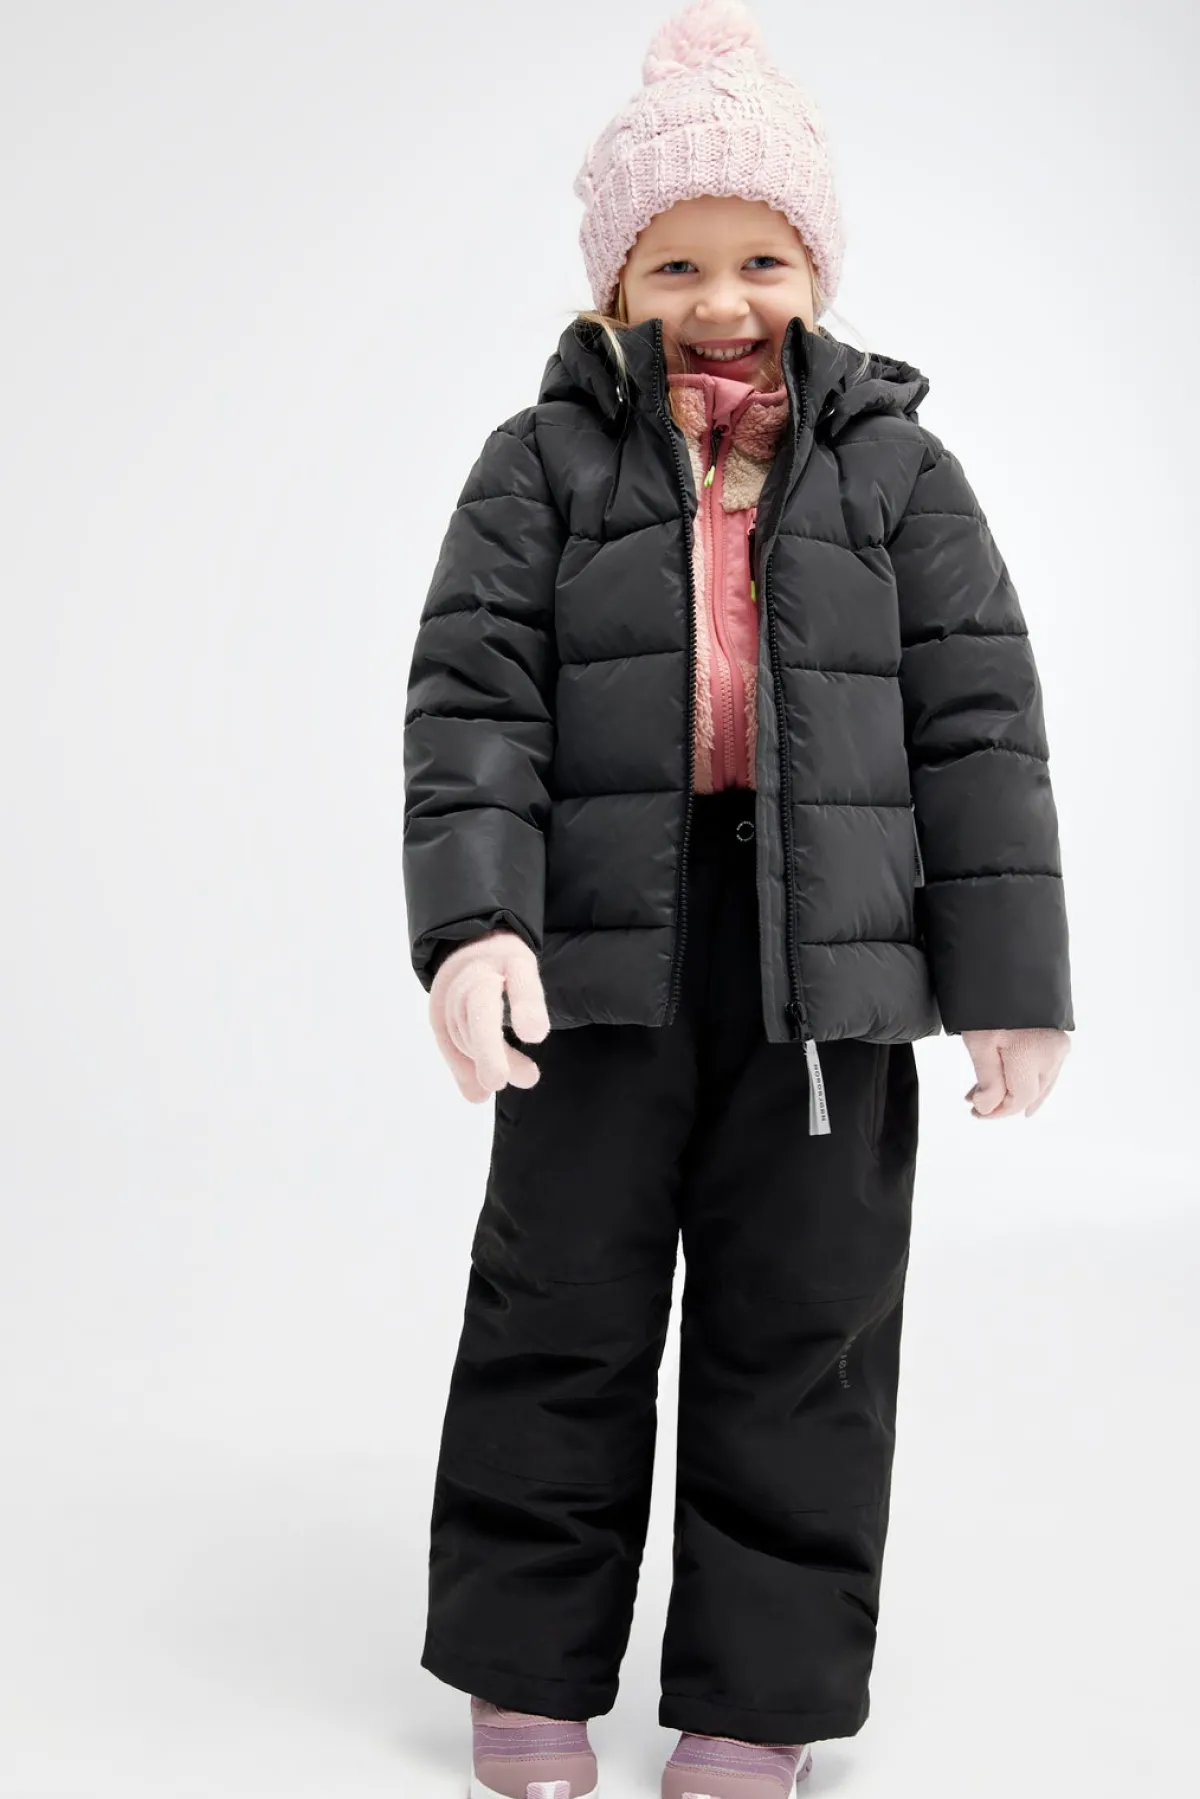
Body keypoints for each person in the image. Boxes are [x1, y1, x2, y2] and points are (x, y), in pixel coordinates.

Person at [401, 2, 1075, 1794]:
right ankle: (525, 1665)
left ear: (817, 272)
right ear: (616, 285)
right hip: (600, 953)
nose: (722, 300)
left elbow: (980, 729)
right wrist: (476, 927)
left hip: (829, 977)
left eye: (761, 258)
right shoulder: (539, 466)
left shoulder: (898, 473)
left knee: (805, 1327)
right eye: (677, 262)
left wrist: (1009, 980)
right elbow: (474, 709)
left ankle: (757, 1697)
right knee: (558, 1306)